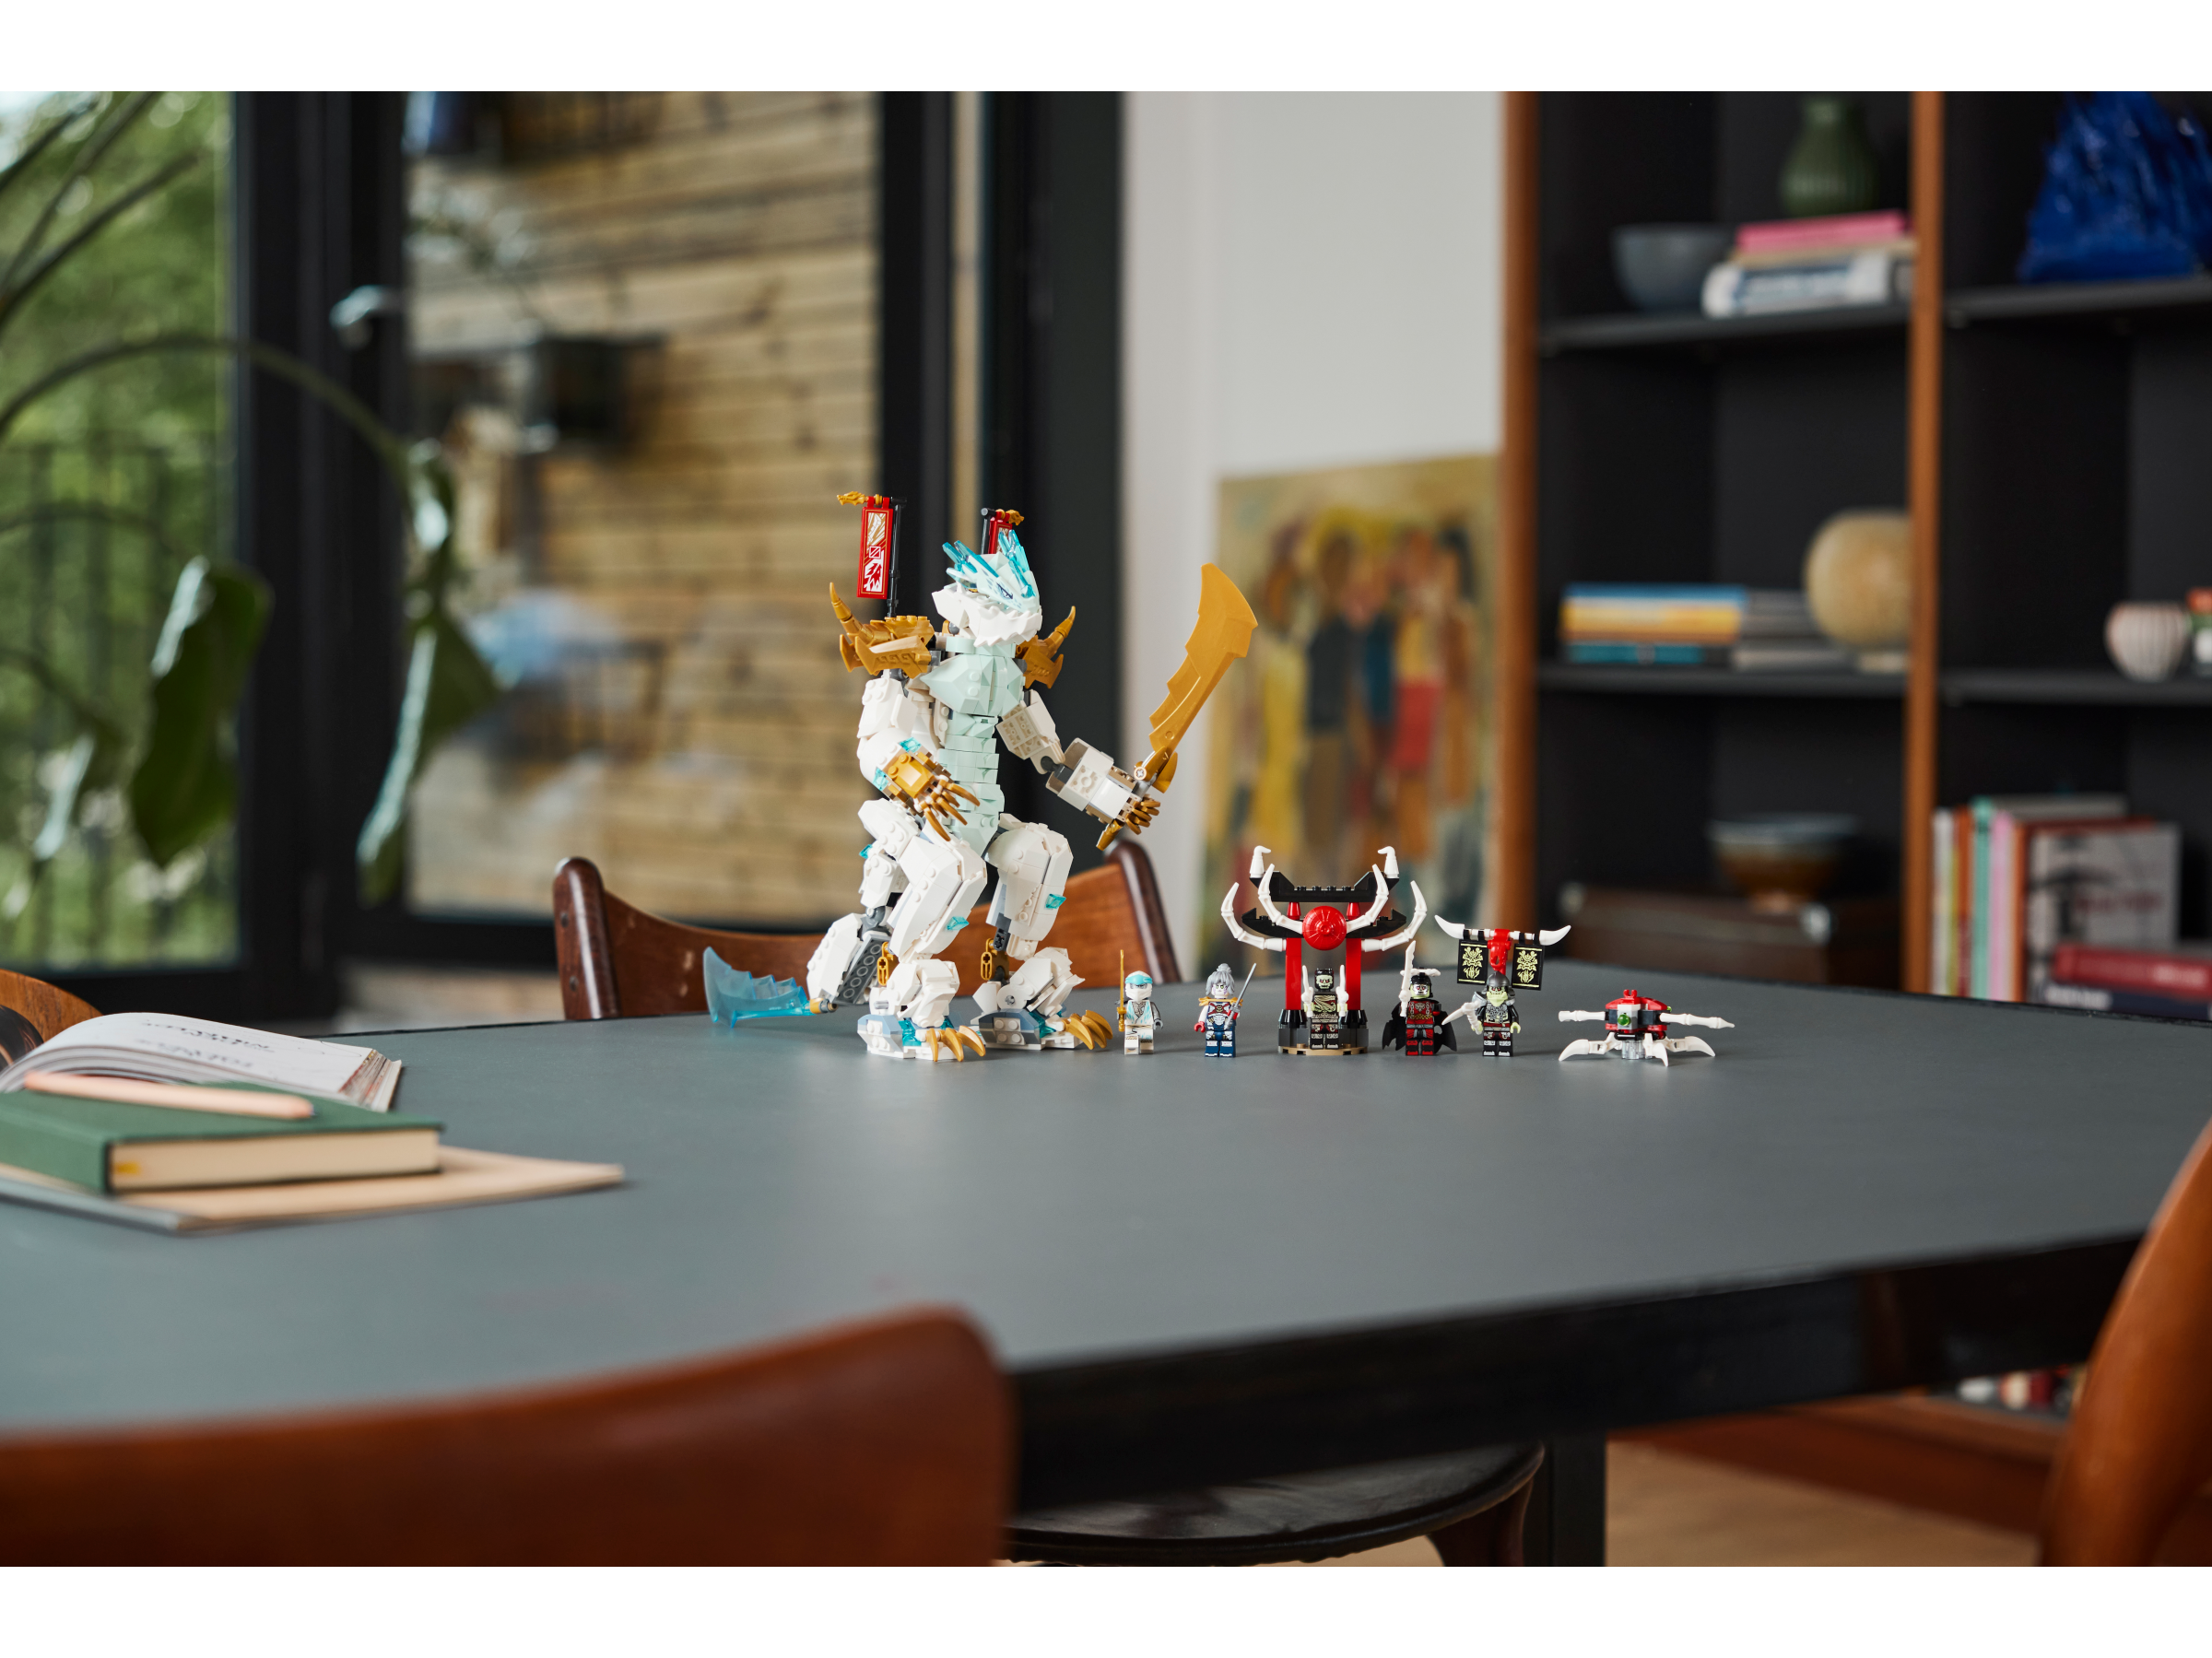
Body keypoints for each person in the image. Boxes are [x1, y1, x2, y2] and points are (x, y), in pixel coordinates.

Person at [1121, 970, 1158, 1055]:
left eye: (1142, 986)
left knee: (1146, 1042)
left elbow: (1155, 1013)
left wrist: (1157, 1020)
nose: (1137, 990)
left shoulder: (1150, 1004)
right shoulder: (1127, 1005)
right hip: (1131, 1025)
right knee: (1131, 1042)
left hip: (1146, 1025)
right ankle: (1131, 1049)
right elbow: (1122, 1014)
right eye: (1134, 986)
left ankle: (1146, 1049)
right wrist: (1121, 1016)